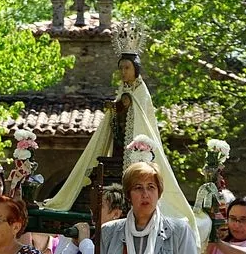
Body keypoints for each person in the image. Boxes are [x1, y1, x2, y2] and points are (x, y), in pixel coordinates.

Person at [41, 52, 198, 236]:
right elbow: (119, 112)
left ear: (136, 70)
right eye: (121, 68)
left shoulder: (140, 92)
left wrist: (123, 107)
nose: (123, 72)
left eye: (127, 68)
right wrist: (115, 108)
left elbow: (140, 117)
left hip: (133, 146)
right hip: (119, 145)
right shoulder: (123, 90)